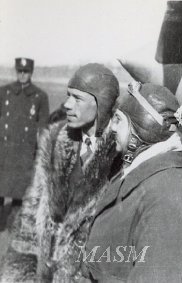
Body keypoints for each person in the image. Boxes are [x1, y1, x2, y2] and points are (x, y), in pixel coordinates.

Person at [0, 63, 120, 282]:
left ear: (100, 103)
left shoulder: (120, 155)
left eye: (77, 98)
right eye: (67, 96)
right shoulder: (56, 139)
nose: (66, 104)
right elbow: (30, 217)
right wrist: (18, 275)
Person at [82, 82, 182, 282]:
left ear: (143, 126)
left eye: (118, 120)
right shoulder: (142, 171)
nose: (112, 127)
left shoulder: (167, 193)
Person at [0, 57, 49, 203]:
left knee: (21, 194)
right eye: (20, 71)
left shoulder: (40, 96)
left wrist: (41, 151)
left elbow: (43, 127)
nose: (22, 74)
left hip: (25, 153)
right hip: (4, 150)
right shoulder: (4, 92)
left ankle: (16, 224)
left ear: (31, 72)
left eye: (26, 72)